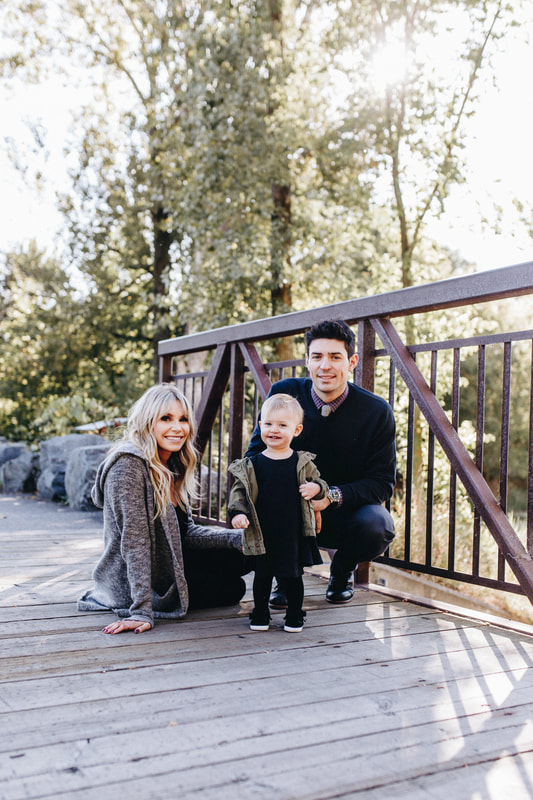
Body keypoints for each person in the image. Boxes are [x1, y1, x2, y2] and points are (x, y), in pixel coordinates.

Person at [245, 319, 396, 607]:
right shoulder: (285, 393)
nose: (325, 366)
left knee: (378, 525)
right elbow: (253, 459)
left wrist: (329, 497)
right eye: (317, 357)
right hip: (288, 510)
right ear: (307, 361)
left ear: (352, 362)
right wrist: (297, 500)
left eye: (335, 357)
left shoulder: (376, 411)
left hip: (343, 511)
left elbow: (381, 483)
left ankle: (341, 572)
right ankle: (286, 575)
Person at [78, 383, 246, 634]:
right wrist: (141, 610)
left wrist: (236, 537)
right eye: (166, 418)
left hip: (170, 562)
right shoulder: (128, 465)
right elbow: (134, 543)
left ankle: (287, 593)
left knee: (251, 548)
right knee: (234, 589)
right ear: (147, 422)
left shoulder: (173, 463)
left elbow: (186, 532)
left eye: (183, 419)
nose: (177, 428)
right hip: (134, 585)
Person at [228, 394, 328, 632]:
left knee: (293, 576)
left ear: (296, 430)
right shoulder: (252, 464)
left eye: (282, 425)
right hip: (262, 531)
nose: (274, 430)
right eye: (269, 423)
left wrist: (316, 488)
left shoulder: (302, 462)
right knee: (262, 575)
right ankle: (260, 613)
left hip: (292, 532)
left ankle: (294, 615)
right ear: (260, 426)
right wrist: (237, 513)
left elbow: (321, 483)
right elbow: (239, 492)